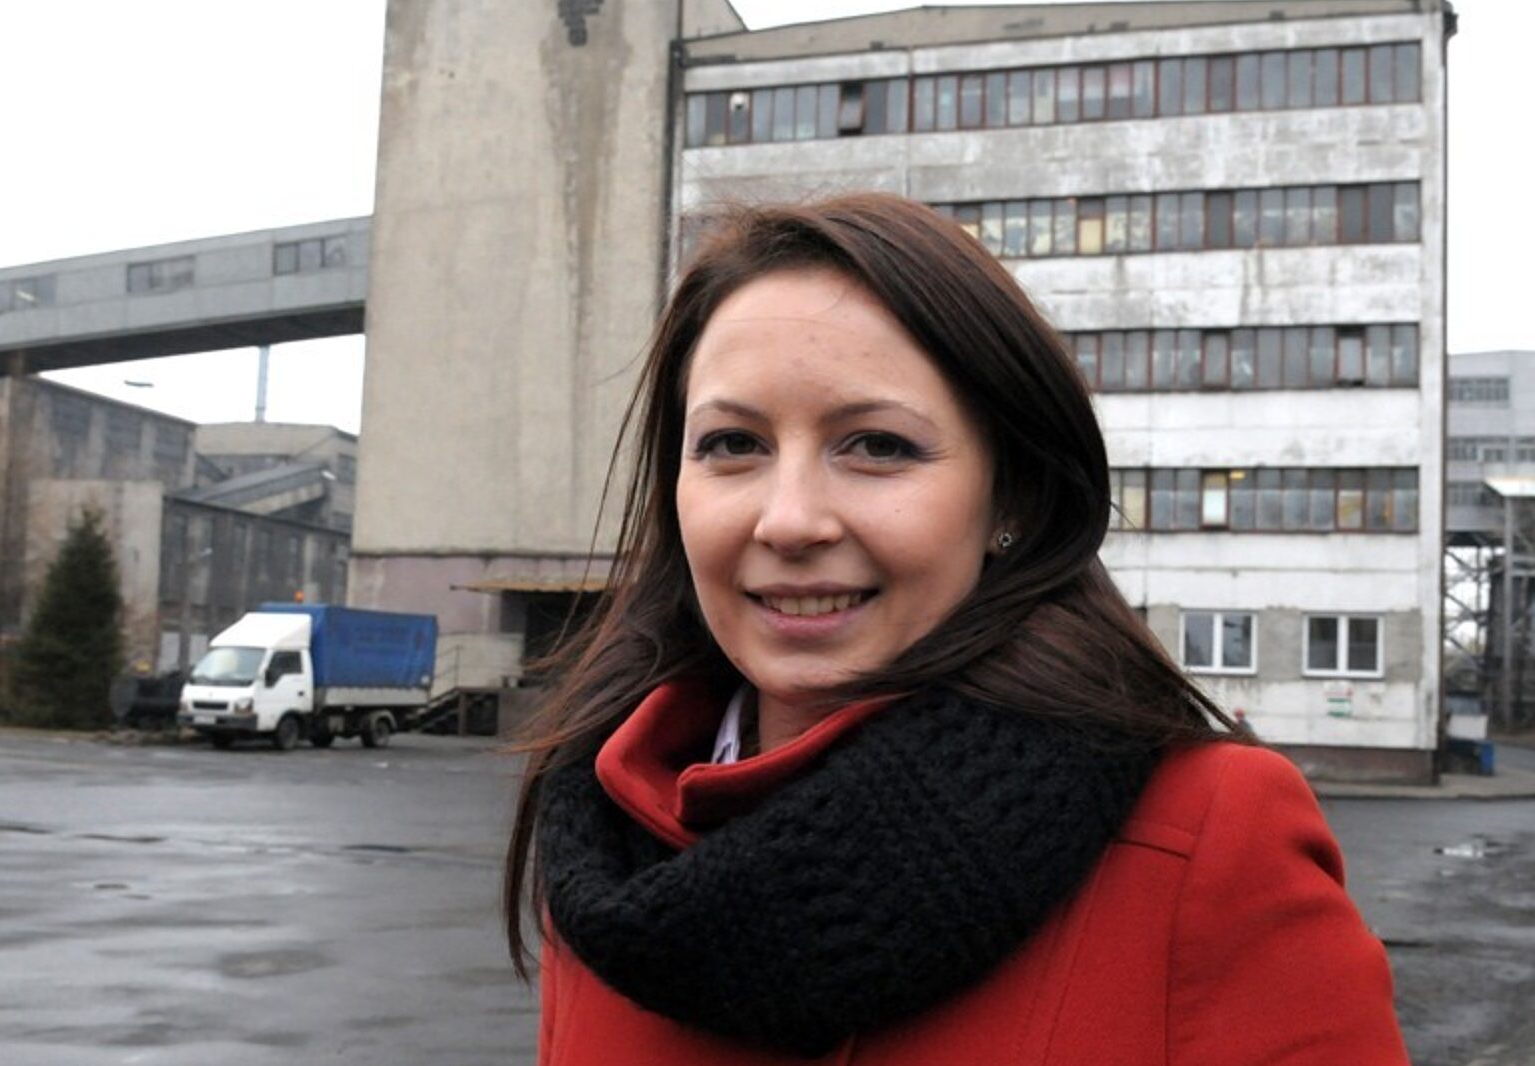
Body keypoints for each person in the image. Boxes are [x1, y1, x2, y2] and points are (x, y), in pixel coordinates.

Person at [504, 193, 1409, 1065]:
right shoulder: (605, 844)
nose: (788, 521)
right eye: (733, 444)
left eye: (878, 445)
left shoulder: (1213, 840)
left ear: (1010, 498)